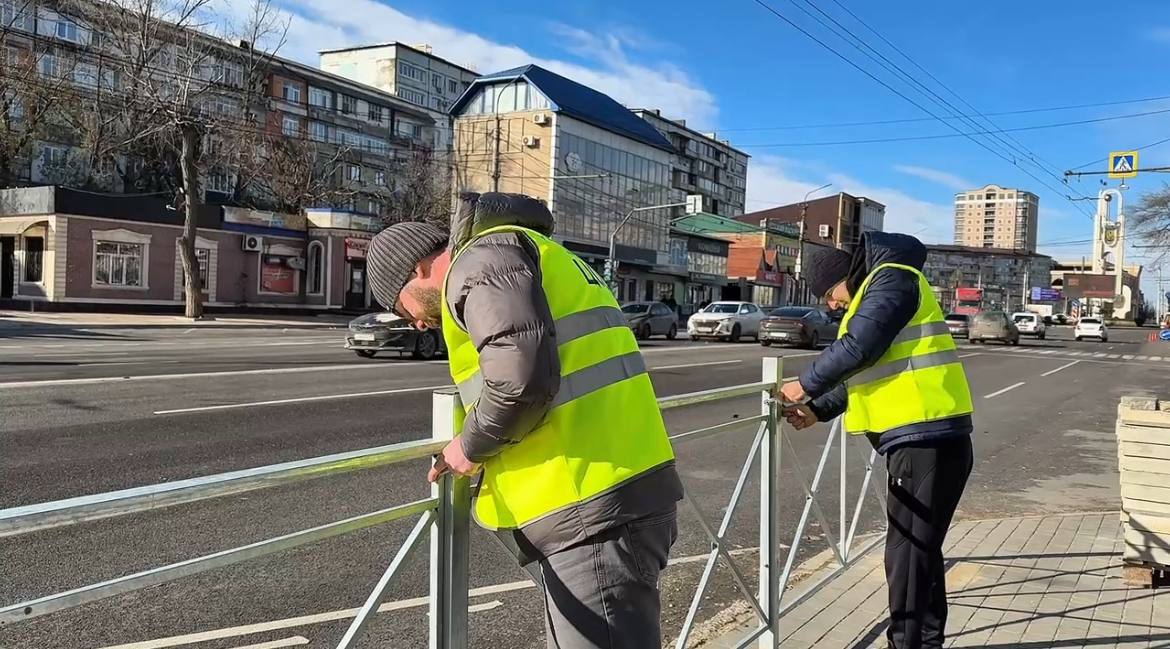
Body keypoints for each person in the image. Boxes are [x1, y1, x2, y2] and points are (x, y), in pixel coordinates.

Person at [367, 192, 683, 649]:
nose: (415, 325)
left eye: (402, 309)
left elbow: (522, 380)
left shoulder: (482, 261)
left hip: (590, 505)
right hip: (616, 491)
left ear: (415, 270)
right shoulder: (533, 253)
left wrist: (466, 448)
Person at [779, 233, 974, 649]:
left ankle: (905, 644)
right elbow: (870, 369)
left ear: (845, 277)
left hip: (925, 437)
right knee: (920, 548)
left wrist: (803, 386)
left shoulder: (892, 279)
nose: (831, 306)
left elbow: (860, 349)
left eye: (830, 295)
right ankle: (925, 641)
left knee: (905, 552)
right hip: (925, 438)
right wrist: (818, 409)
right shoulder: (882, 289)